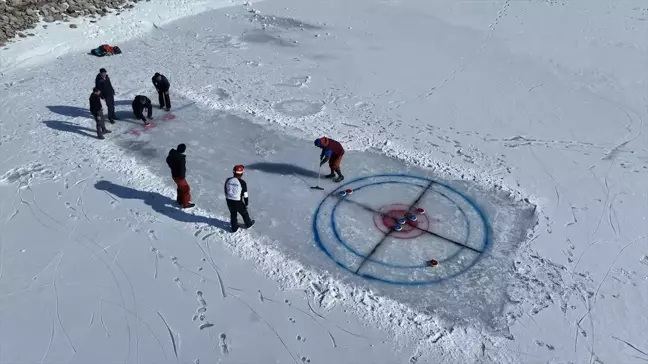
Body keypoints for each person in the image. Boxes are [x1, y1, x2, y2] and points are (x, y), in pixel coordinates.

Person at [224, 165, 255, 233]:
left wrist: (228, 197)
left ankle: (234, 228)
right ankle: (248, 224)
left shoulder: (228, 180)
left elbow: (225, 190)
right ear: (241, 173)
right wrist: (246, 203)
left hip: (229, 200)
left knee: (233, 214)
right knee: (244, 213)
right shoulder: (242, 183)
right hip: (237, 201)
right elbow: (245, 194)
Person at [166, 143, 194, 209]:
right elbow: (182, 169)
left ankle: (180, 200)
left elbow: (167, 160)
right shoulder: (181, 158)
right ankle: (186, 204)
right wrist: (182, 177)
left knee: (180, 187)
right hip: (179, 177)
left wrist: (172, 167)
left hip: (174, 175)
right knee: (186, 189)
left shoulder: (172, 154)